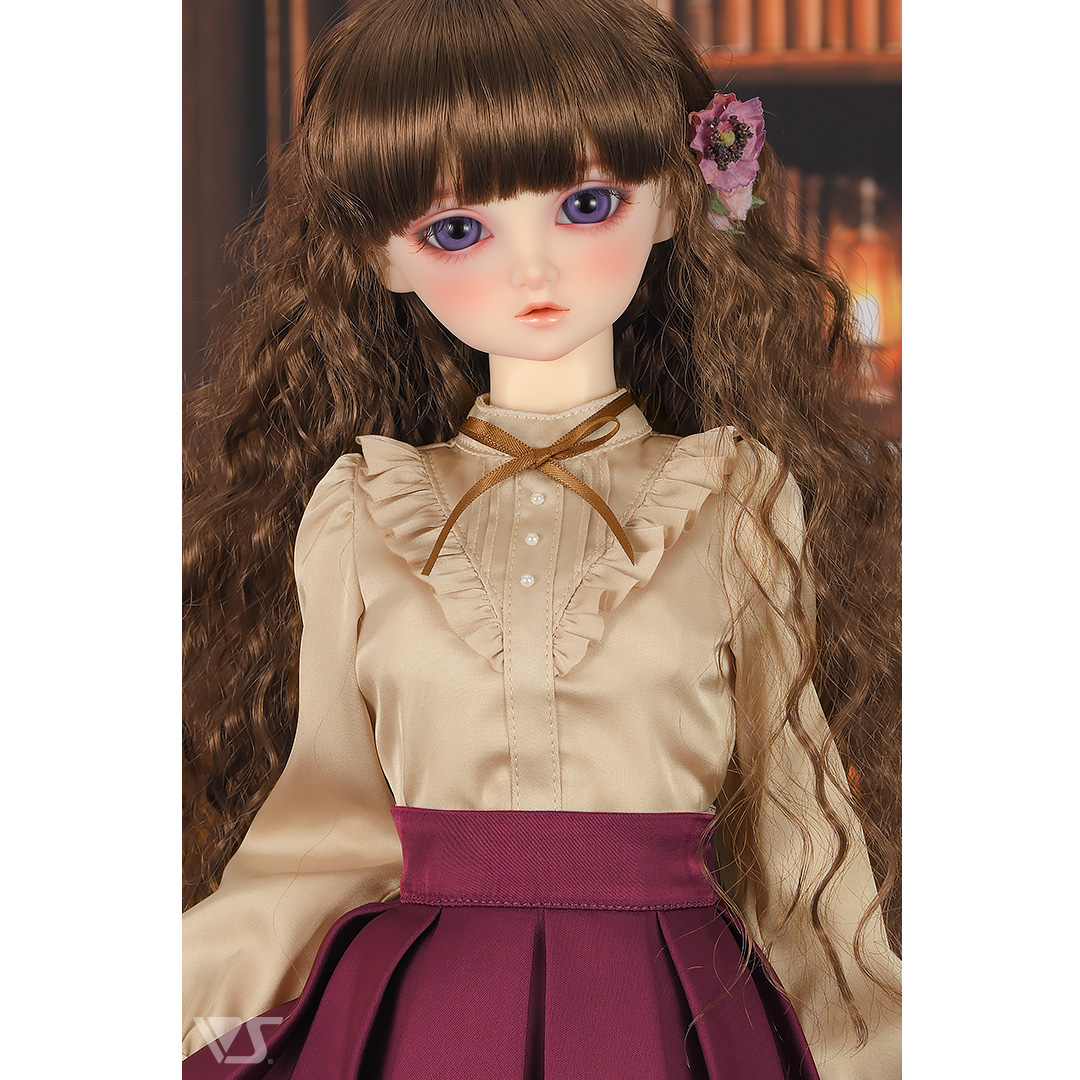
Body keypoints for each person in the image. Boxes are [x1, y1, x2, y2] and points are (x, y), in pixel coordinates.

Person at [182, 1, 902, 1076]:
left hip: (669, 1012)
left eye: (587, 205)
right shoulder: (364, 510)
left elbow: (796, 840)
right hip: (425, 1017)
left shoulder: (732, 497)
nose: (534, 272)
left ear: (673, 201)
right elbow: (324, 835)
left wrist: (874, 1049)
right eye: (457, 230)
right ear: (384, 257)